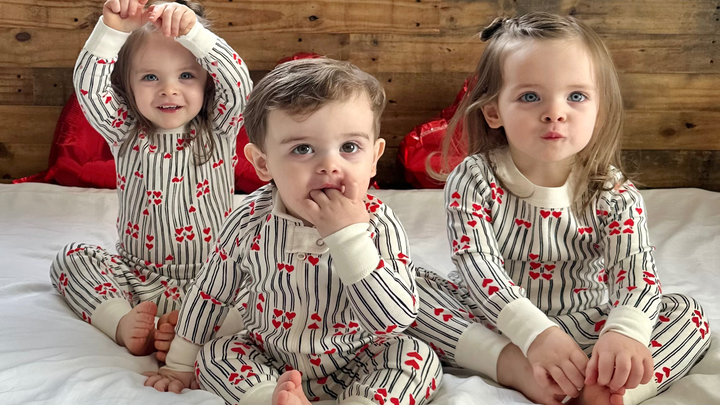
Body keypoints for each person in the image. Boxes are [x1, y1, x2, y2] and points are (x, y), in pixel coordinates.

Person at [407, 12, 711, 405]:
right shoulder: (474, 178)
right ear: (494, 111)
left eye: (576, 96)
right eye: (530, 97)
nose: (555, 112)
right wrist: (535, 335)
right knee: (402, 286)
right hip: (491, 323)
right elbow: (479, 268)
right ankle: (515, 369)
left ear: (599, 110)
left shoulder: (613, 192)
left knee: (687, 314)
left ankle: (610, 391)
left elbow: (635, 274)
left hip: (584, 324)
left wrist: (624, 333)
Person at [143, 58, 442, 405]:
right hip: (269, 356)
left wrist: (350, 239)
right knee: (215, 356)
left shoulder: (380, 224)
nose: (330, 165)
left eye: (349, 148)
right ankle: (270, 399)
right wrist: (179, 363)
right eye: (302, 149)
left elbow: (393, 321)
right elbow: (211, 292)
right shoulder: (249, 220)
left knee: (417, 358)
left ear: (373, 158)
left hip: (359, 356)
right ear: (263, 163)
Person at [50, 0, 251, 359]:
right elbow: (90, 89)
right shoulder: (124, 131)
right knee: (72, 258)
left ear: (207, 81)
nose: (169, 90)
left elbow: (238, 84)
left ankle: (199, 329)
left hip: (216, 279)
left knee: (278, 279)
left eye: (186, 76)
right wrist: (112, 31)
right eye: (150, 77)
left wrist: (194, 34)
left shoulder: (220, 128)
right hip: (137, 277)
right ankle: (122, 323)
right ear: (126, 86)